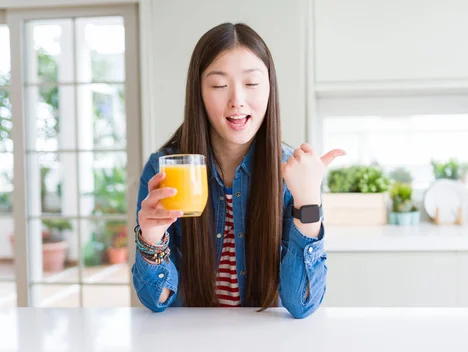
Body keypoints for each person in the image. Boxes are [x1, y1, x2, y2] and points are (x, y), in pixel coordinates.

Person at [131, 22, 345, 319]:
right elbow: (158, 301)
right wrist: (152, 240)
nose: (237, 101)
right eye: (219, 86)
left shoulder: (292, 173)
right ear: (199, 94)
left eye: (252, 84)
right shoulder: (163, 168)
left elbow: (302, 305)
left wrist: (308, 203)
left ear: (270, 88)